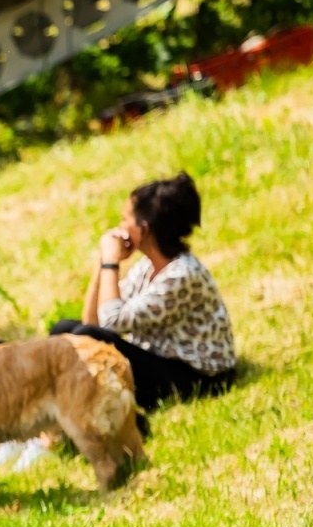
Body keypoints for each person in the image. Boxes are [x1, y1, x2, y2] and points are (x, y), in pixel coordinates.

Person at [49, 172, 236, 410]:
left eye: (126, 218)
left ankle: (59, 414)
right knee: (65, 331)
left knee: (88, 337)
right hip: (161, 362)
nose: (120, 226)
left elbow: (111, 322)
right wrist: (101, 264)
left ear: (143, 229)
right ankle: (59, 410)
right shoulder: (147, 267)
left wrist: (111, 261)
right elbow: (93, 320)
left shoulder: (182, 275)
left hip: (198, 378)